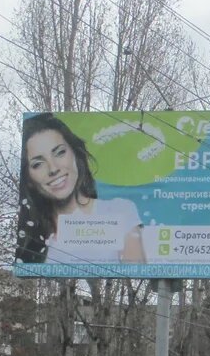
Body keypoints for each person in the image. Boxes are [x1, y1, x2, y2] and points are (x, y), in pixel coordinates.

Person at [17, 113, 147, 266]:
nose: (53, 169)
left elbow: (136, 269)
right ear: (29, 180)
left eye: (60, 152)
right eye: (38, 164)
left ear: (76, 155)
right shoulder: (31, 241)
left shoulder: (120, 211)